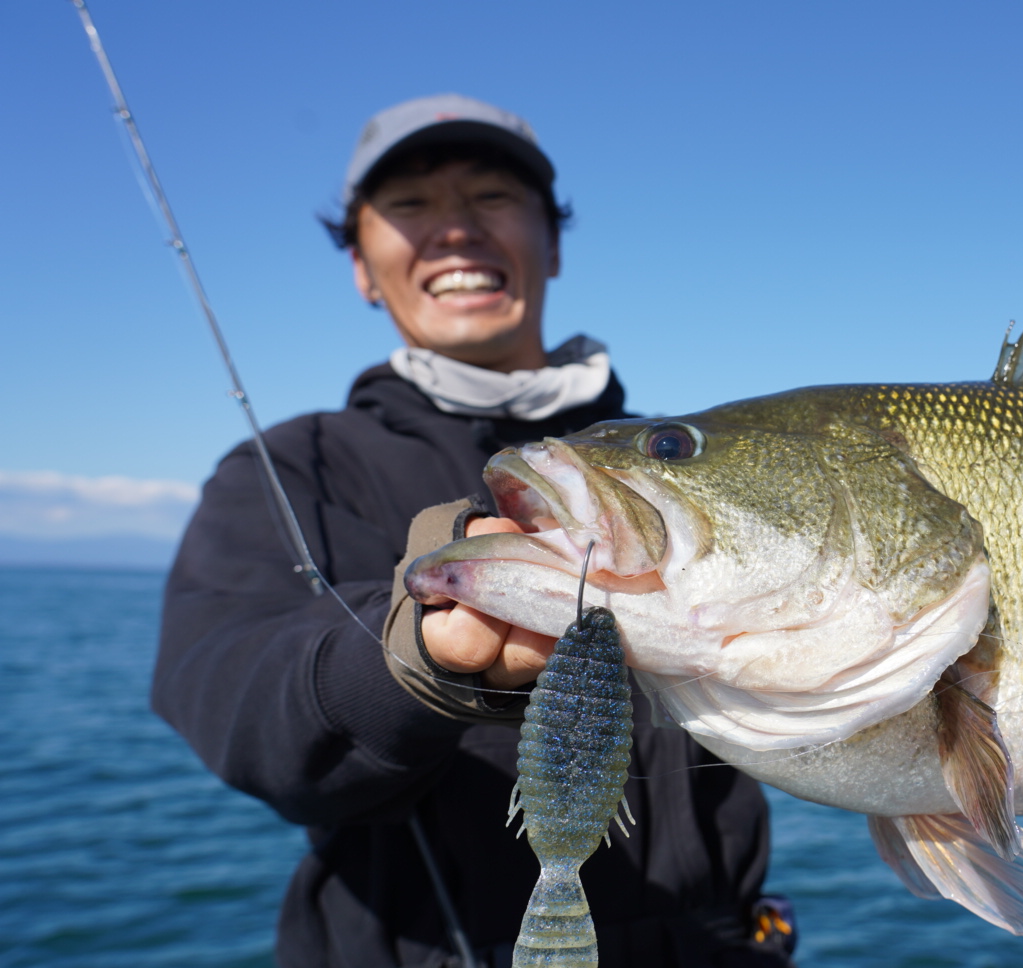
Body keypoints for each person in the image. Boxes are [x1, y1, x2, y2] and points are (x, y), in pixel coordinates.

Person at [153, 95, 795, 968]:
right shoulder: (295, 465)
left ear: (553, 243)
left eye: (492, 198)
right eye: (411, 206)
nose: (454, 232)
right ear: (360, 264)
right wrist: (410, 661)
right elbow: (227, 695)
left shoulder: (691, 463)